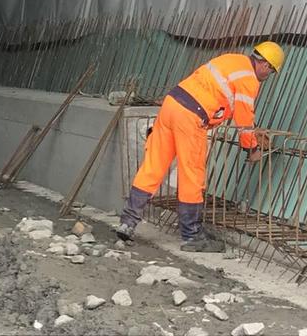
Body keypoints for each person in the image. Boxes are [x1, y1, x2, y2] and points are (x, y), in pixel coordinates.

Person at [115, 41, 285, 252]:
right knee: (192, 175)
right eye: (271, 72)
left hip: (171, 105)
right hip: (191, 116)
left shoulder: (232, 59)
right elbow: (244, 119)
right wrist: (252, 149)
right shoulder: (249, 79)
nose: (268, 76)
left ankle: (127, 222)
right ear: (266, 65)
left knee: (153, 166)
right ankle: (192, 235)